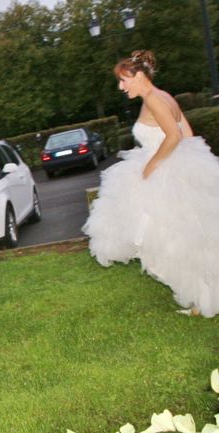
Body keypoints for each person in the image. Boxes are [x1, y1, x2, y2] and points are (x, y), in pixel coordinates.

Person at [83, 50, 219, 317]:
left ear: (139, 75)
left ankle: (201, 298)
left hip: (164, 174)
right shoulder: (165, 97)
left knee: (159, 240)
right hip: (177, 171)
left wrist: (153, 165)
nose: (121, 87)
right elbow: (188, 134)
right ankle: (202, 299)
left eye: (124, 80)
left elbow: (174, 137)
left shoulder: (154, 100)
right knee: (188, 239)